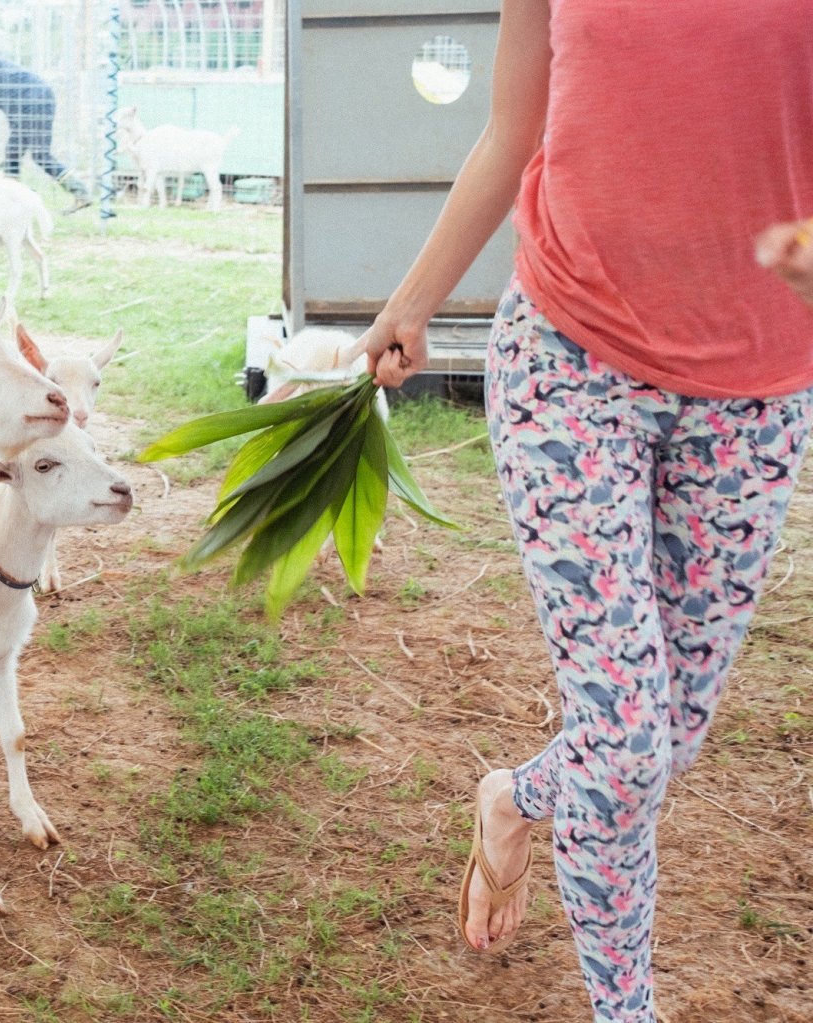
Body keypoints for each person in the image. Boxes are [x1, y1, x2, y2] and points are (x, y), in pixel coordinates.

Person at [348, 3, 813, 1021]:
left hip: (757, 393)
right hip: (571, 363)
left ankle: (515, 796)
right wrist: (417, 299)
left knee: (665, 740)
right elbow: (516, 130)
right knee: (631, 737)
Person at [0, 54, 92, 212]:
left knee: (21, 154)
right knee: (31, 154)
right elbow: (12, 116)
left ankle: (12, 198)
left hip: (35, 100)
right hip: (36, 103)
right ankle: (79, 192)